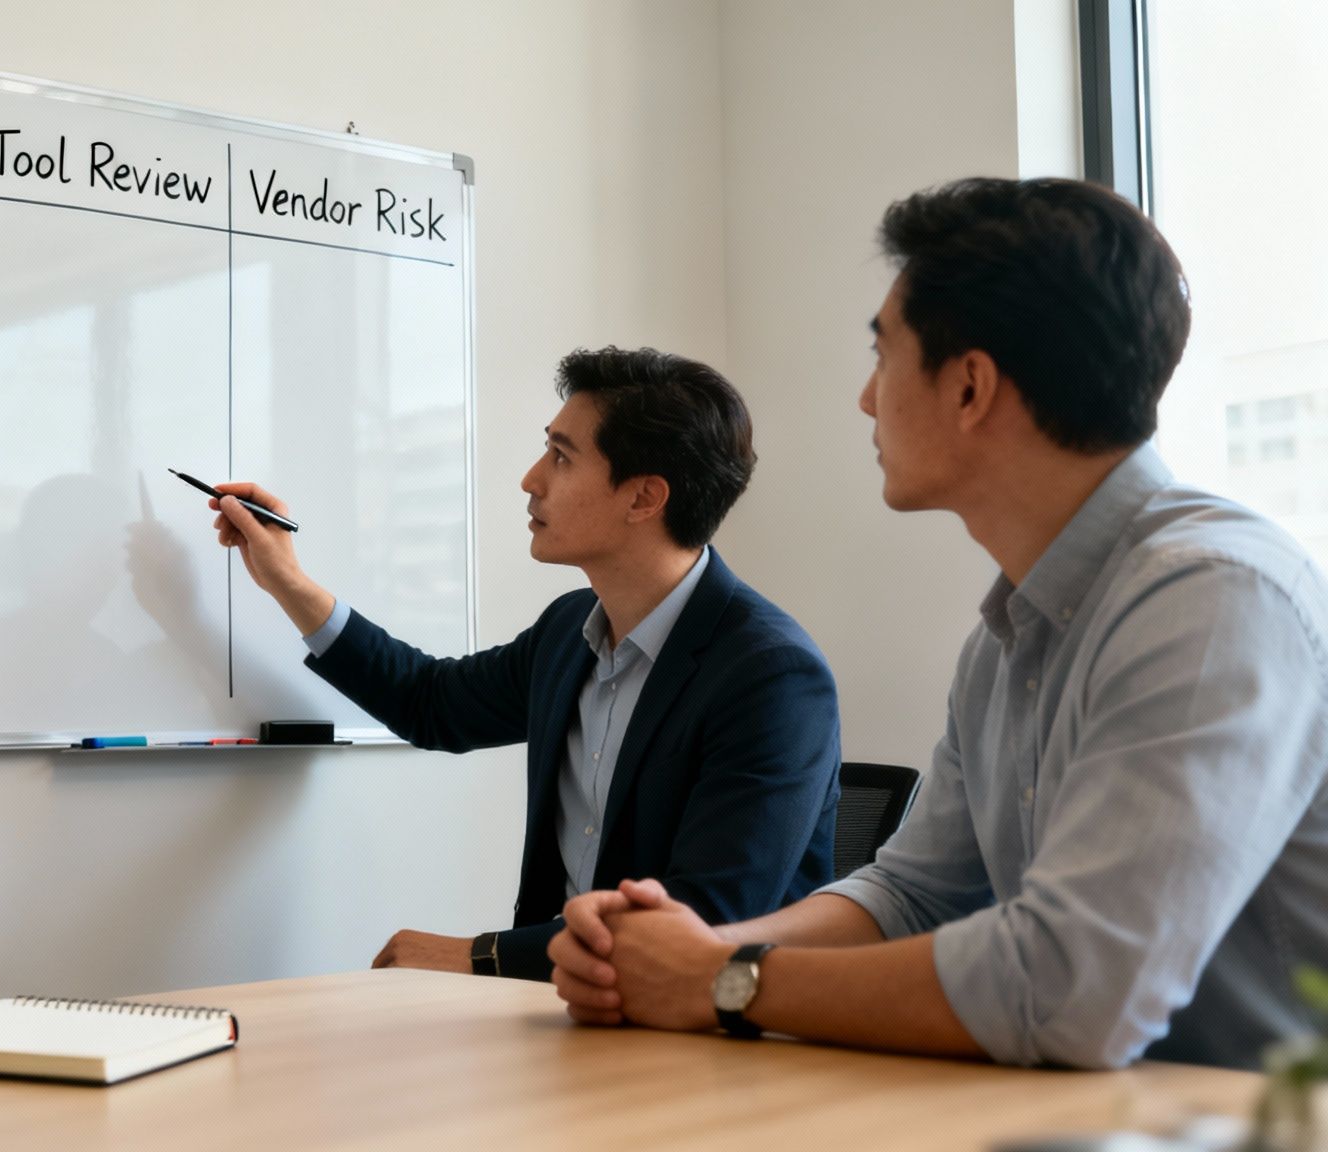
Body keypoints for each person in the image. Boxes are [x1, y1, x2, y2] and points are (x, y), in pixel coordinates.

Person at [549, 177, 1328, 1071]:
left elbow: (1072, 989)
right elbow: (912, 894)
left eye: (883, 356)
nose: (866, 400)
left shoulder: (1212, 600)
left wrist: (723, 980)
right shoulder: (1008, 634)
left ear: (969, 387)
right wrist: (671, 954)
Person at [210, 347, 841, 981]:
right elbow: (431, 704)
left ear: (644, 498)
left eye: (562, 456)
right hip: (560, 1011)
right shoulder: (569, 631)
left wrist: (478, 955)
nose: (531, 478)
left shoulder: (772, 676)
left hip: (703, 1041)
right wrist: (288, 580)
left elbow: (704, 918)